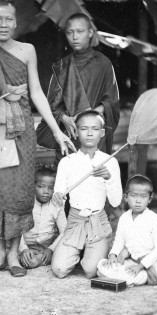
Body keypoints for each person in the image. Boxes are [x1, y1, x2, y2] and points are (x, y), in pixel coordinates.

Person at [0, 0, 74, 278]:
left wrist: (58, 132)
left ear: (16, 23)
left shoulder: (27, 50)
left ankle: (13, 254)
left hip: (20, 128)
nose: (3, 25)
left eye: (8, 19)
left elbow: (36, 92)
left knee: (17, 190)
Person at [50, 110, 122, 279]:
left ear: (102, 133)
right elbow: (59, 194)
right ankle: (79, 249)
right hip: (75, 220)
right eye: (83, 128)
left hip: (98, 220)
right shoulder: (67, 162)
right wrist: (58, 197)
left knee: (91, 271)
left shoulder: (110, 161)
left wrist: (108, 178)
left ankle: (91, 250)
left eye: (95, 129)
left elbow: (116, 201)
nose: (89, 133)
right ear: (76, 131)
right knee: (59, 270)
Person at [39, 13, 120, 157]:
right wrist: (64, 118)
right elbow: (51, 105)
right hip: (70, 134)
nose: (75, 37)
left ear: (90, 32)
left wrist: (91, 116)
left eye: (80, 31)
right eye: (70, 32)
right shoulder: (62, 66)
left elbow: (111, 102)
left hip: (94, 133)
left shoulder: (103, 63)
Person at [96, 174, 157, 287]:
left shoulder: (156, 220)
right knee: (102, 265)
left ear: (150, 198)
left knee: (127, 276)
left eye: (143, 197)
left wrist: (140, 266)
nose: (138, 201)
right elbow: (119, 241)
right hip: (129, 261)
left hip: (147, 264)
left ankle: (132, 277)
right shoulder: (124, 218)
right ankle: (118, 275)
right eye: (133, 196)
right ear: (126, 197)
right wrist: (112, 256)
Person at [17, 167, 66, 271]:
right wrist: (24, 249)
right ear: (33, 186)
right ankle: (22, 256)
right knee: (28, 259)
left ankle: (40, 258)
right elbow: (16, 228)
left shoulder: (57, 205)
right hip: (26, 244)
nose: (46, 192)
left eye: (51, 188)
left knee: (34, 261)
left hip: (46, 247)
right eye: (41, 187)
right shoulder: (26, 202)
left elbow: (64, 231)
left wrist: (51, 249)